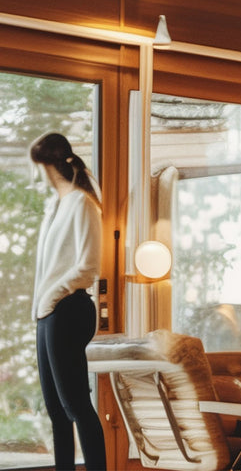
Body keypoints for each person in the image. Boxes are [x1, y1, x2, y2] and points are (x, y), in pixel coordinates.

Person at [29, 133, 108, 471]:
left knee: (76, 406)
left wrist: (51, 296)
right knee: (57, 413)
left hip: (68, 309)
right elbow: (47, 268)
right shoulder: (55, 207)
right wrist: (40, 305)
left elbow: (88, 266)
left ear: (48, 166)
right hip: (48, 313)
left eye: (37, 167)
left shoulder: (82, 204)